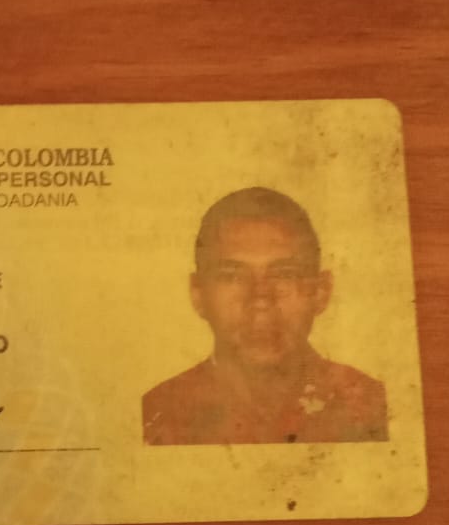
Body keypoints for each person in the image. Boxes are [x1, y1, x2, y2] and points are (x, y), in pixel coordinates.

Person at [142, 187, 388, 445]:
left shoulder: (370, 407)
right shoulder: (158, 415)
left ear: (320, 292)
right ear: (198, 294)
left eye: (284, 274)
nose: (260, 299)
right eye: (232, 277)